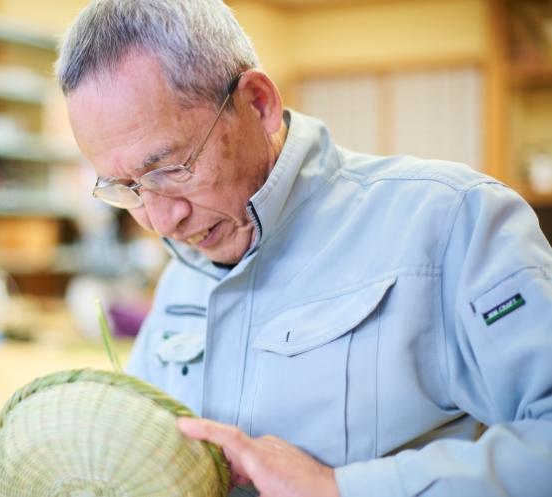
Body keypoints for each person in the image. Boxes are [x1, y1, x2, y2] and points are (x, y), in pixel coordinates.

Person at [56, 1, 552, 496]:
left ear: (257, 102)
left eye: (171, 170)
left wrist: (340, 487)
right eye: (125, 187)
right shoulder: (184, 269)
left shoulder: (450, 222)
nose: (161, 221)